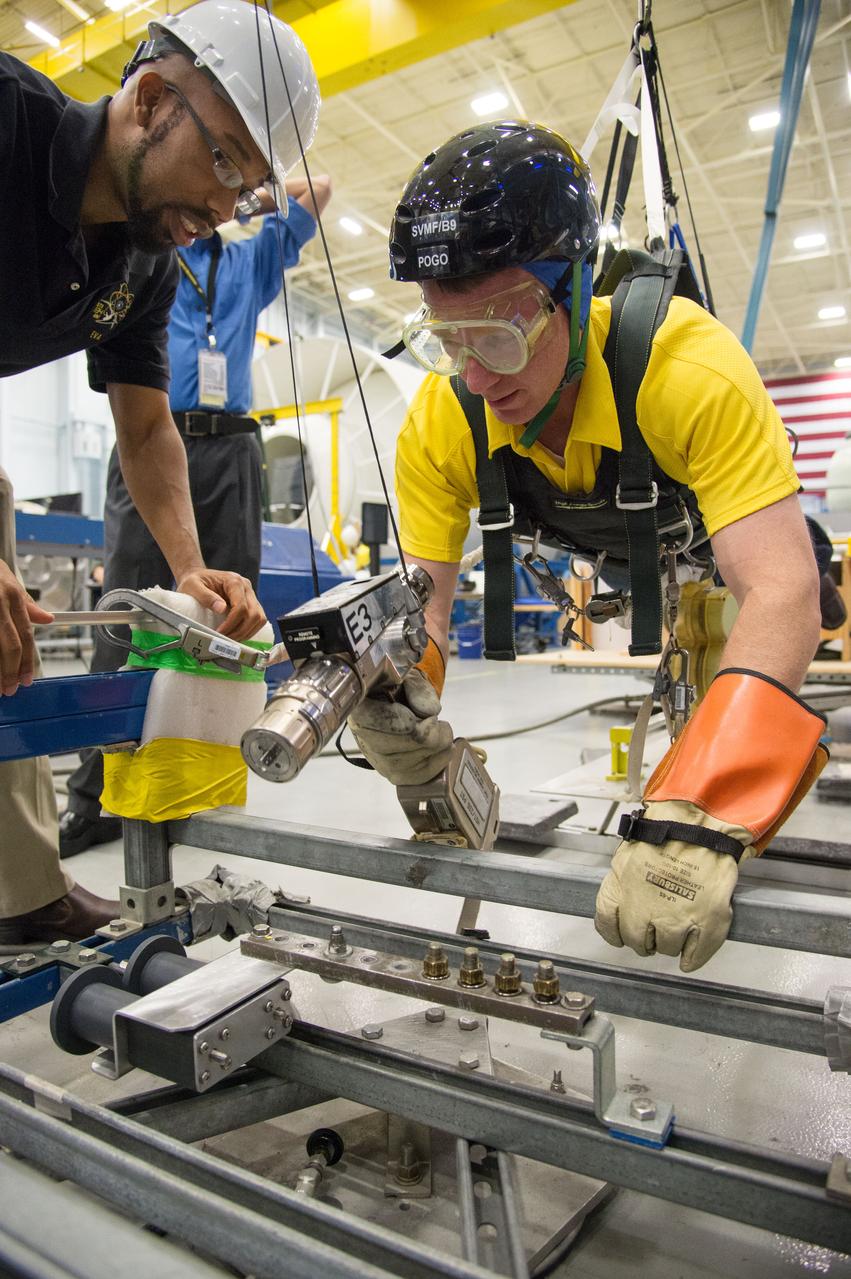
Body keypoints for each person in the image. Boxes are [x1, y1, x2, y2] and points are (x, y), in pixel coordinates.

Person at [349, 120, 826, 974]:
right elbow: (423, 603)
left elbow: (779, 592)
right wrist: (397, 695)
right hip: (608, 545)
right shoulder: (442, 419)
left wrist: (698, 805)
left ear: (572, 291)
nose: (475, 376)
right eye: (445, 339)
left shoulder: (688, 370)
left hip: (731, 531)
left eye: (495, 337)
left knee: (794, 598)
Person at [0, 0, 320, 943]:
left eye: (250, 188)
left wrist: (187, 571)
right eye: (225, 161)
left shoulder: (142, 261)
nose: (227, 208)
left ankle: (20, 894)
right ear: (148, 100)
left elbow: (146, 430)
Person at [60, 174, 332, 856]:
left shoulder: (246, 259)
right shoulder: (146, 256)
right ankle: (93, 797)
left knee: (227, 621)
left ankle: (196, 784)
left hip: (231, 448)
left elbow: (317, 187)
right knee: (124, 621)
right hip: (152, 438)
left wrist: (243, 199)